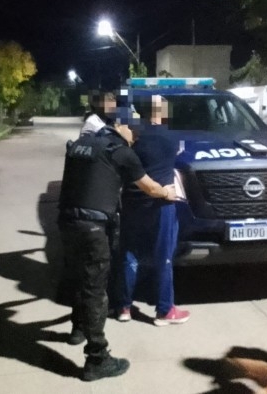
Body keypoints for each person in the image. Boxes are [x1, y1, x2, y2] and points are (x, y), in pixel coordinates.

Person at [58, 121, 178, 382]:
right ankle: (97, 358)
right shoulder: (120, 151)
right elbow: (150, 188)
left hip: (66, 221)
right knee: (95, 289)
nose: (135, 141)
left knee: (77, 277)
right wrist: (166, 192)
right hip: (93, 227)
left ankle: (78, 329)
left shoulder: (80, 145)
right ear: (122, 128)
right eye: (134, 136)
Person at [113, 94, 190, 327]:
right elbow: (179, 154)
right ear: (163, 112)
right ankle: (164, 310)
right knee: (163, 256)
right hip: (161, 202)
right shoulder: (172, 136)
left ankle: (124, 307)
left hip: (132, 201)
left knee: (129, 254)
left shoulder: (133, 135)